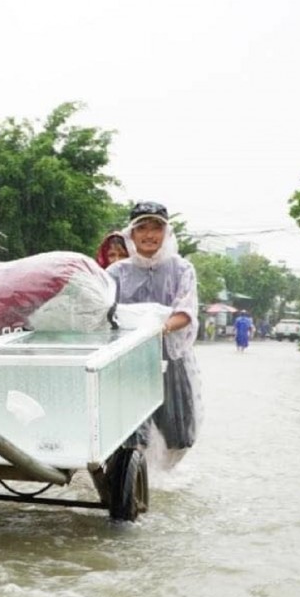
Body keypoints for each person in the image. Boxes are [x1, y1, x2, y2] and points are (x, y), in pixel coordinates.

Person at [106, 201, 201, 469]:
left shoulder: (182, 269)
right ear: (131, 235)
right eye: (142, 228)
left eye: (156, 227)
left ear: (166, 233)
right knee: (128, 430)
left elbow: (186, 311)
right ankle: (131, 478)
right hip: (126, 359)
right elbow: (102, 311)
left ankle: (165, 482)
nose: (149, 235)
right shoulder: (116, 272)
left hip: (168, 355)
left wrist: (158, 330)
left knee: (178, 431)